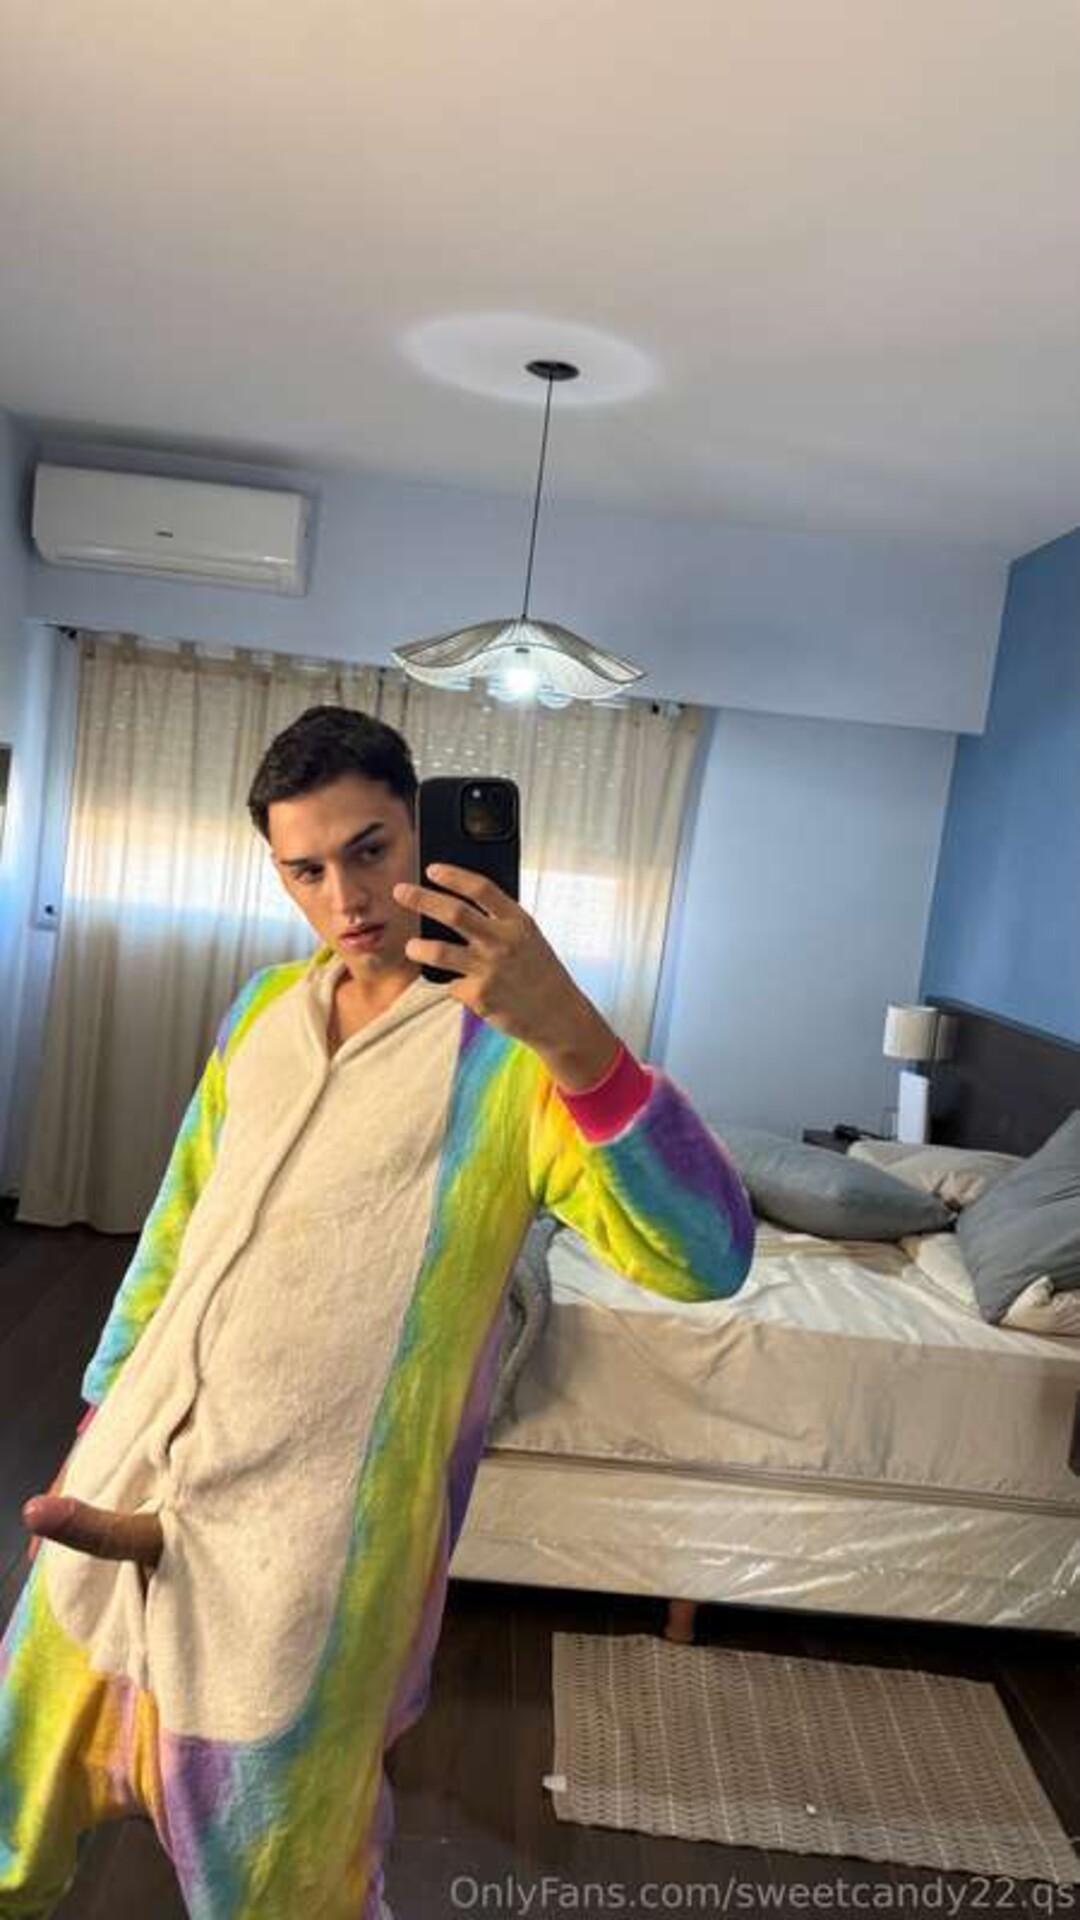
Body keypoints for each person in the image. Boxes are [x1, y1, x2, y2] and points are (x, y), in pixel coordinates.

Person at [0, 704, 755, 1919]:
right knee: (7, 1821)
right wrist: (95, 1421)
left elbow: (707, 1256)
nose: (345, 898)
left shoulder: (515, 1057)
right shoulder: (261, 1009)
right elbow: (178, 1231)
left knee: (279, 1884)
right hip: (118, 1486)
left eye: (371, 850)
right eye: (305, 869)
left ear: (422, 833)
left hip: (306, 1566)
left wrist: (572, 1031)